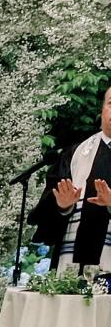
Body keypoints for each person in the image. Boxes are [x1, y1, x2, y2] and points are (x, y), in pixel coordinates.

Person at [29, 84, 111, 275]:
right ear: (102, 109)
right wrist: (62, 205)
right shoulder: (75, 154)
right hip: (70, 265)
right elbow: (47, 209)